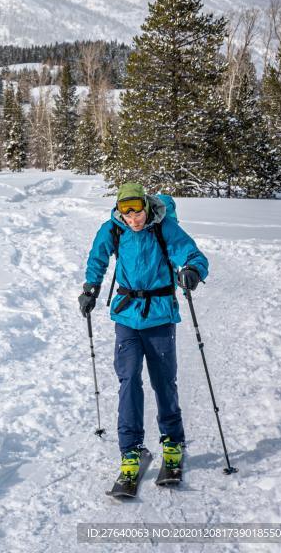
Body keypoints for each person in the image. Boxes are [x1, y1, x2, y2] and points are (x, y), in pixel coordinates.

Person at [78, 181, 208, 482]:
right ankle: (131, 448)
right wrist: (90, 289)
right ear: (120, 212)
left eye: (138, 213)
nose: (133, 220)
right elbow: (97, 258)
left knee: (164, 382)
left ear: (147, 207)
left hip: (160, 316)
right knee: (128, 381)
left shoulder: (164, 228)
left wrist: (192, 272)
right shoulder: (112, 229)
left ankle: (173, 442)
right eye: (127, 214)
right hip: (126, 317)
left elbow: (194, 256)